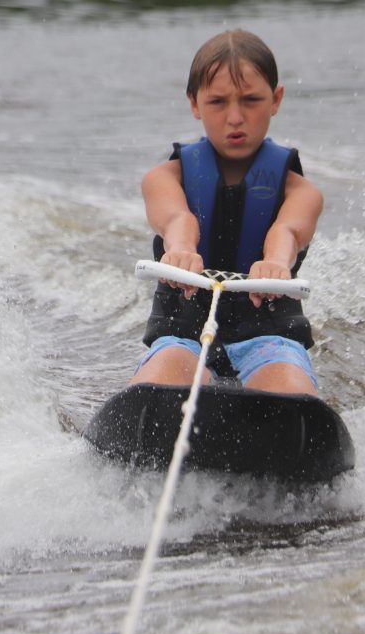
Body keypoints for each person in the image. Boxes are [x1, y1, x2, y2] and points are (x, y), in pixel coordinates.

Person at [131, 29, 323, 396]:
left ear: (276, 99)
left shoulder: (301, 192)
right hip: (183, 335)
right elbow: (177, 219)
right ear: (194, 103)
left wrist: (275, 264)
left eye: (251, 100)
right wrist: (181, 250)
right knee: (166, 371)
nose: (235, 117)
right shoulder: (164, 178)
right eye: (218, 102)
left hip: (269, 337)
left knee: (287, 387)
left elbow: (287, 231)